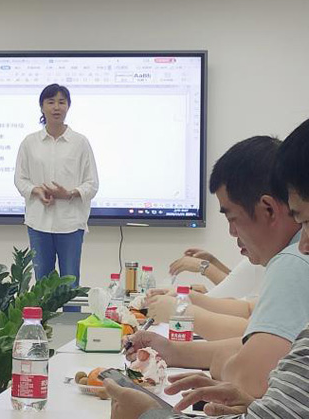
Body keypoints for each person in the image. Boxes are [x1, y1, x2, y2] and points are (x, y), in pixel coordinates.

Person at [102, 120, 309, 419]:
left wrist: (149, 414)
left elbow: (254, 377)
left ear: (268, 209)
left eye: (304, 219)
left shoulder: (292, 261)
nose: (304, 244)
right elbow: (253, 324)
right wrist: (178, 350)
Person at [14, 84, 98, 291]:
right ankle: (43, 315)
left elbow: (92, 184)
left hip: (70, 224)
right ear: (42, 106)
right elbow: (20, 179)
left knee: (70, 284)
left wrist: (69, 194)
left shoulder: (80, 142)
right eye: (51, 102)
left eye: (62, 102)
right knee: (42, 285)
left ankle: (71, 315)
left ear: (68, 106)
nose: (56, 107)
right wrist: (36, 191)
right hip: (38, 222)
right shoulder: (29, 142)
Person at [169, 249, 264, 299]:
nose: (232, 231)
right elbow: (238, 282)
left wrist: (203, 266)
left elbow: (236, 291)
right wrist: (212, 261)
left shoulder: (259, 257)